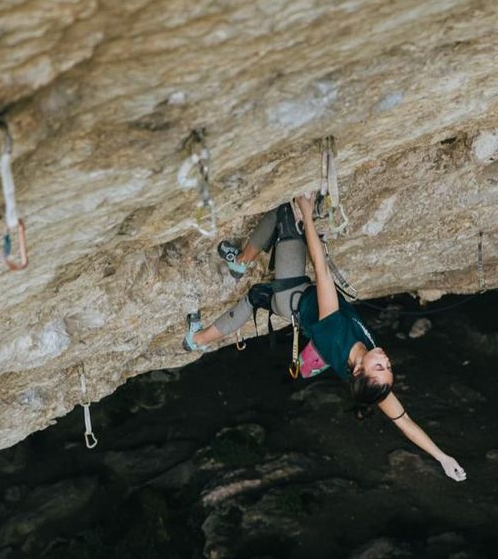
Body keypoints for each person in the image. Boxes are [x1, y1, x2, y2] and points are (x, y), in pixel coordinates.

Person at [183, 193, 467, 482]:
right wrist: (443, 458)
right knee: (256, 297)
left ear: (359, 370)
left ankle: (236, 272)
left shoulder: (336, 334)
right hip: (297, 306)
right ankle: (200, 338)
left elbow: (321, 270)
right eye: (388, 368)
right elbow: (404, 422)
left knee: (283, 214)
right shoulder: (367, 382)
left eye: (380, 367)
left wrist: (306, 214)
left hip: (293, 295)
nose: (385, 361)